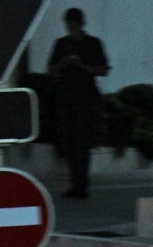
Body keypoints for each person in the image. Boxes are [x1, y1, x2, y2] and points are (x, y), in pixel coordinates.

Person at [47, 7, 109, 199]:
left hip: (86, 100)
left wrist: (82, 66)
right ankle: (75, 183)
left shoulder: (92, 44)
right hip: (66, 99)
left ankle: (81, 184)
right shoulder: (61, 44)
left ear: (81, 24)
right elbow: (51, 70)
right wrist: (64, 63)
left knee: (81, 143)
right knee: (69, 143)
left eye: (74, 24)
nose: (71, 28)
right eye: (69, 25)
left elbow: (102, 69)